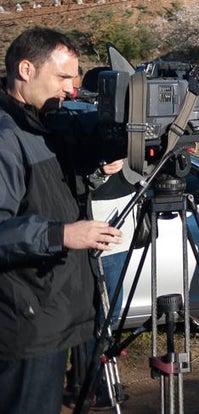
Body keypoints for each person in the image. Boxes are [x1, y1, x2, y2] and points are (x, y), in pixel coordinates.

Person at [0, 27, 124, 413]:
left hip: (53, 316)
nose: (72, 89)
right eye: (64, 77)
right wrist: (63, 234)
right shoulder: (5, 135)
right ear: (26, 69)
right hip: (24, 326)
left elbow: (46, 193)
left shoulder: (40, 122)